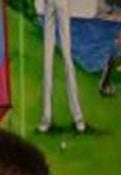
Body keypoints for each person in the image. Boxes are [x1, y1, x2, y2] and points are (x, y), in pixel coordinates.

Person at [38, 0, 86, 133]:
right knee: (47, 62)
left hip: (62, 3)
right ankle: (46, 118)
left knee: (67, 58)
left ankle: (78, 117)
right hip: (48, 4)